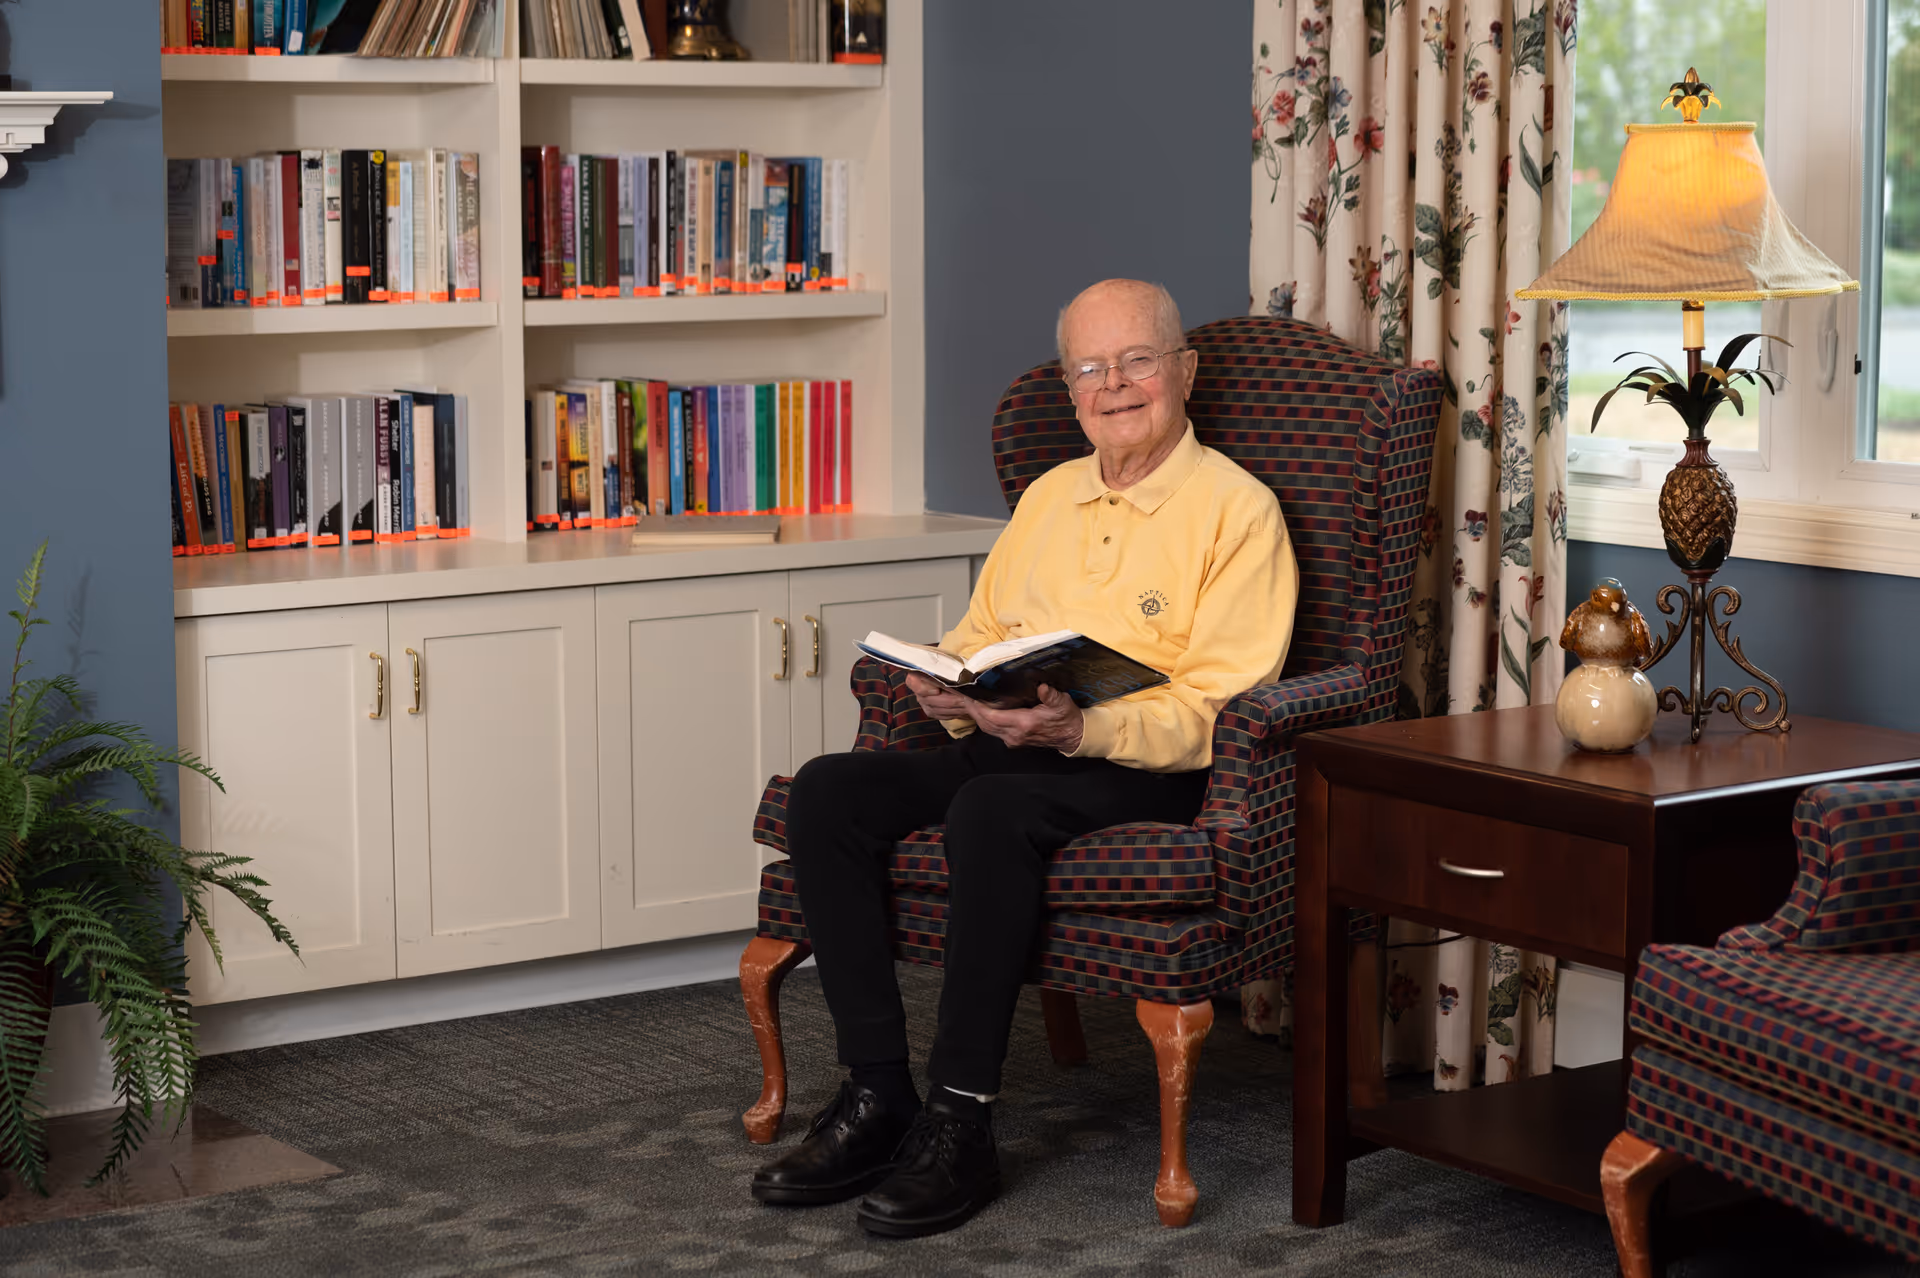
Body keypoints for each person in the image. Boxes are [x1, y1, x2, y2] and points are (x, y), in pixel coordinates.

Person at [751, 278, 1299, 1238]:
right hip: (1017, 747)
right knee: (830, 792)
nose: (1115, 385)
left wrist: (1084, 731)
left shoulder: (1238, 512)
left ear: (1184, 372)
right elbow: (984, 631)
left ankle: (961, 1121)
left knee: (989, 814)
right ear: (1070, 385)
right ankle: (879, 1095)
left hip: (1148, 776)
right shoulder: (1051, 495)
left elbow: (1222, 706)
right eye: (1091, 368)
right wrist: (947, 686)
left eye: (1137, 361)